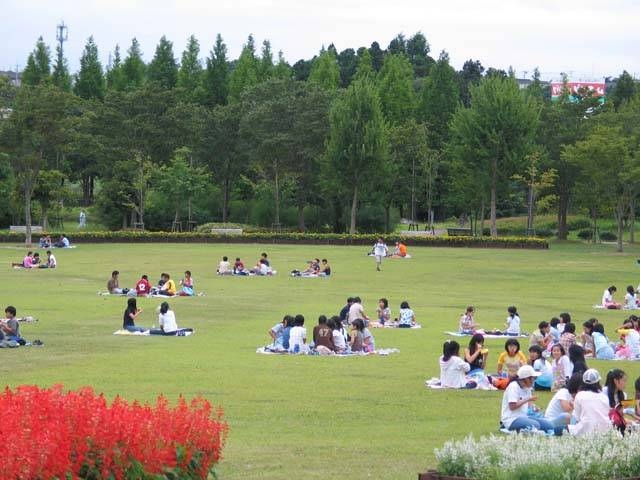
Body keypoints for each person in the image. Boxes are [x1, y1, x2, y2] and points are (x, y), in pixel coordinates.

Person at [500, 365, 560, 434]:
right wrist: (527, 399)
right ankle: (505, 427)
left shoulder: (527, 387)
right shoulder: (513, 386)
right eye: (533, 378)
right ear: (526, 379)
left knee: (548, 425)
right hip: (511, 419)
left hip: (523, 416)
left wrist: (534, 407)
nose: (534, 380)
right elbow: (512, 406)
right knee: (535, 425)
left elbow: (528, 404)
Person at [568, 369, 612, 436]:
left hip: (586, 430)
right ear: (598, 382)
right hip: (605, 431)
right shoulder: (604, 397)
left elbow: (577, 418)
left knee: (559, 429)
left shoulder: (580, 395)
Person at [604, 369, 628, 434]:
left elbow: (621, 415)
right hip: (604, 423)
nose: (625, 383)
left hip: (617, 425)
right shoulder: (604, 392)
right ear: (615, 381)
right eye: (624, 380)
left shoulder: (624, 395)